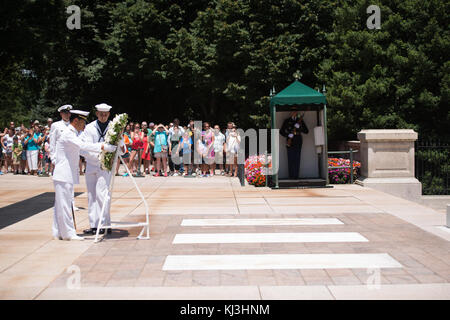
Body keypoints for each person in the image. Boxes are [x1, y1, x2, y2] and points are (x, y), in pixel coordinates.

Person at [52, 109, 116, 241]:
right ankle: (68, 233)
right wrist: (104, 146)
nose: (84, 125)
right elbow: (83, 145)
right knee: (64, 204)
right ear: (76, 121)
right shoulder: (69, 134)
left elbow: (84, 143)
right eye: (83, 122)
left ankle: (59, 231)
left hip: (64, 174)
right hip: (64, 174)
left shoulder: (73, 133)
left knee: (61, 204)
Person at [80, 103, 116, 235]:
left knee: (103, 194)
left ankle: (105, 223)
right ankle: (94, 225)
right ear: (97, 114)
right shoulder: (89, 128)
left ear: (109, 115)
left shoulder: (114, 127)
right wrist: (100, 150)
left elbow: (120, 146)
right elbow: (85, 146)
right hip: (91, 163)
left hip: (105, 165)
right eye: (101, 114)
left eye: (105, 114)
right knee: (92, 195)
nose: (103, 116)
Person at [280, 111, 309, 179]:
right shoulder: (287, 121)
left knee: (297, 158)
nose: (294, 113)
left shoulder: (300, 121)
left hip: (298, 140)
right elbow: (281, 131)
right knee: (290, 158)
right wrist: (288, 135)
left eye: (295, 112)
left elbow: (306, 131)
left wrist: (299, 127)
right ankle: (291, 176)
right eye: (292, 111)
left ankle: (296, 176)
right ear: (291, 113)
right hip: (290, 140)